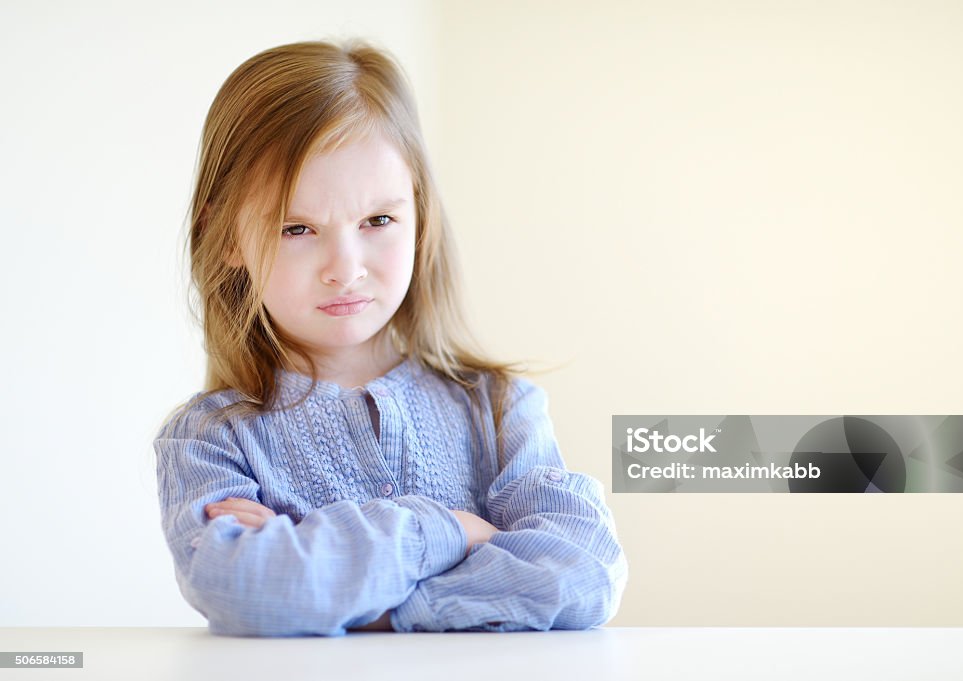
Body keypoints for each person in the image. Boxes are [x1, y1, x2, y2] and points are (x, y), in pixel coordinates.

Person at [153, 38, 627, 637]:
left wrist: (372, 606)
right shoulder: (210, 440)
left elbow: (584, 575)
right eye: (296, 228)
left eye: (377, 220)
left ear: (419, 215)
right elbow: (248, 590)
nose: (344, 267)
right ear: (226, 238)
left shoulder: (500, 408)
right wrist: (456, 531)